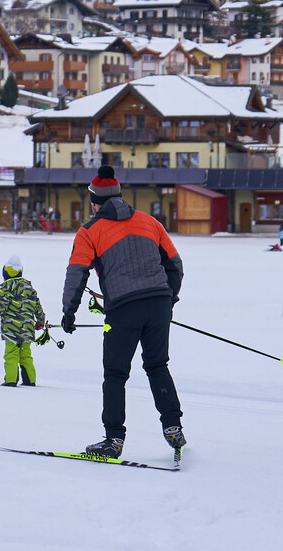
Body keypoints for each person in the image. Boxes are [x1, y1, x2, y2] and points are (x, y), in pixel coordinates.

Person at [62, 165, 185, 459]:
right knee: (157, 365)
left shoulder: (89, 231)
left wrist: (69, 313)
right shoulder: (150, 222)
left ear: (95, 202)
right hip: (158, 305)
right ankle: (173, 427)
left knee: (116, 374)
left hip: (122, 310)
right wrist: (169, 298)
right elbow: (175, 265)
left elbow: (77, 273)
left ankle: (113, 440)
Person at [0, 255, 46, 387]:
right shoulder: (30, 288)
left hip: (11, 331)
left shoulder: (5, 289)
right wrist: (40, 322)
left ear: (6, 273)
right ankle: (30, 380)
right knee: (26, 355)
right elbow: (38, 308)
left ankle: (11, 380)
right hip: (27, 330)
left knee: (11, 354)